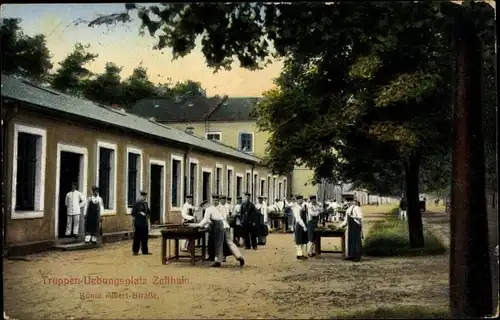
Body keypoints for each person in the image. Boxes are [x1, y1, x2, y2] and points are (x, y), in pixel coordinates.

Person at [195, 194, 245, 267]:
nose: (215, 202)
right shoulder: (223, 207)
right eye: (214, 200)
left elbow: (205, 220)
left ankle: (218, 261)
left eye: (216, 200)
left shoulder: (210, 209)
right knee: (229, 242)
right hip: (225, 226)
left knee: (218, 244)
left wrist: (198, 225)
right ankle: (239, 256)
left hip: (219, 227)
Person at [131, 190, 151, 255]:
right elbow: (133, 213)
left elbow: (148, 211)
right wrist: (140, 213)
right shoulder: (137, 204)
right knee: (137, 238)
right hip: (139, 223)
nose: (144, 197)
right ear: (141, 196)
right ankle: (135, 251)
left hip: (145, 223)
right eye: (143, 196)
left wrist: (148, 214)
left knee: (145, 238)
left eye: (144, 196)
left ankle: (145, 251)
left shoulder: (145, 203)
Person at [293, 195, 308, 259]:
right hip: (299, 225)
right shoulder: (296, 208)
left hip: (303, 224)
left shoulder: (301, 207)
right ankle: (299, 254)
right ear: (297, 200)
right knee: (299, 240)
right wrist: (303, 225)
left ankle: (301, 253)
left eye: (301, 199)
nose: (300, 201)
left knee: (302, 240)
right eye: (299, 200)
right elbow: (298, 218)